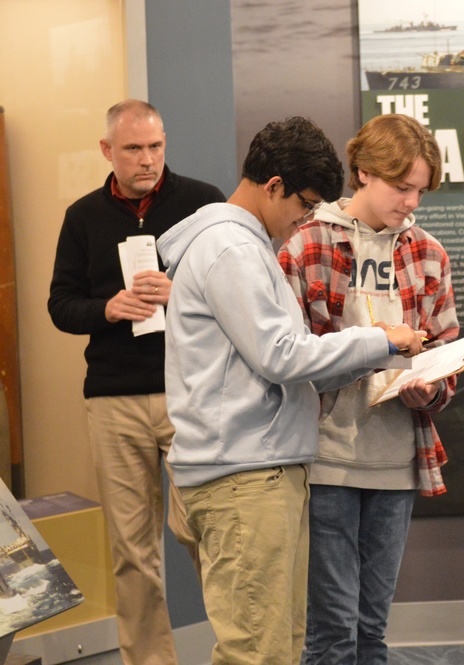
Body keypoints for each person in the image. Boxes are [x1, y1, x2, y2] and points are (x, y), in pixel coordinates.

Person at [156, 115, 426, 665]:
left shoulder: (243, 245)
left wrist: (371, 357)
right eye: (303, 204)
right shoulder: (231, 248)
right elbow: (281, 355)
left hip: (256, 470)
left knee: (279, 643)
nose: (305, 219)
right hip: (243, 476)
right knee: (259, 650)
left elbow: (288, 361)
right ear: (274, 184)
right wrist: (379, 339)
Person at [48, 99, 225, 665]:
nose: (147, 159)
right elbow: (61, 306)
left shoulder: (203, 203)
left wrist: (186, 296)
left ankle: (241, 653)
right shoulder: (82, 217)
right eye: (133, 148)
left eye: (155, 146)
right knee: (132, 552)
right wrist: (109, 309)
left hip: (189, 392)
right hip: (114, 399)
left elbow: (238, 295)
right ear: (108, 151)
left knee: (208, 536)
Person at [279, 113, 459, 665]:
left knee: (372, 632)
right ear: (364, 172)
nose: (411, 202)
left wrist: (428, 389)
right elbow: (285, 359)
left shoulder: (429, 254)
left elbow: (447, 353)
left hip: (398, 462)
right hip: (326, 459)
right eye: (401, 187)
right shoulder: (305, 244)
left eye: (420, 191)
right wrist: (374, 347)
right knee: (332, 634)